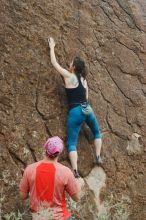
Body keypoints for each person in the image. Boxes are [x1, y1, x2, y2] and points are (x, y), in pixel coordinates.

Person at [48, 37, 102, 178]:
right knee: (97, 132)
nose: (69, 63)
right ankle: (97, 157)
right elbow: (86, 95)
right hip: (87, 108)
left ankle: (75, 171)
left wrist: (52, 47)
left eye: (71, 62)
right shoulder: (84, 80)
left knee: (72, 142)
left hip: (76, 111)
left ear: (74, 67)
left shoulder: (69, 76)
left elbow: (54, 63)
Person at [19, 136, 80, 220]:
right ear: (59, 152)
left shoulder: (29, 169)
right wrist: (77, 183)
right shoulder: (66, 172)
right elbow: (77, 198)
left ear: (45, 149)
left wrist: (31, 187)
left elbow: (22, 196)